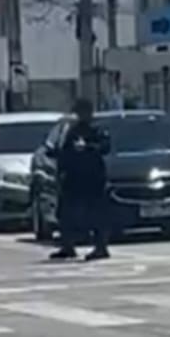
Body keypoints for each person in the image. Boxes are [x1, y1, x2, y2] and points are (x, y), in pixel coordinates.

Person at [50, 98, 112, 261]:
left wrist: (88, 147)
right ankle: (67, 246)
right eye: (78, 112)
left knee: (97, 214)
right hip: (74, 178)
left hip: (93, 178)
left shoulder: (97, 130)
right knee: (66, 213)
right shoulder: (73, 131)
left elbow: (105, 147)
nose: (81, 115)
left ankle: (101, 247)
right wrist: (61, 168)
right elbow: (65, 152)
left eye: (83, 112)